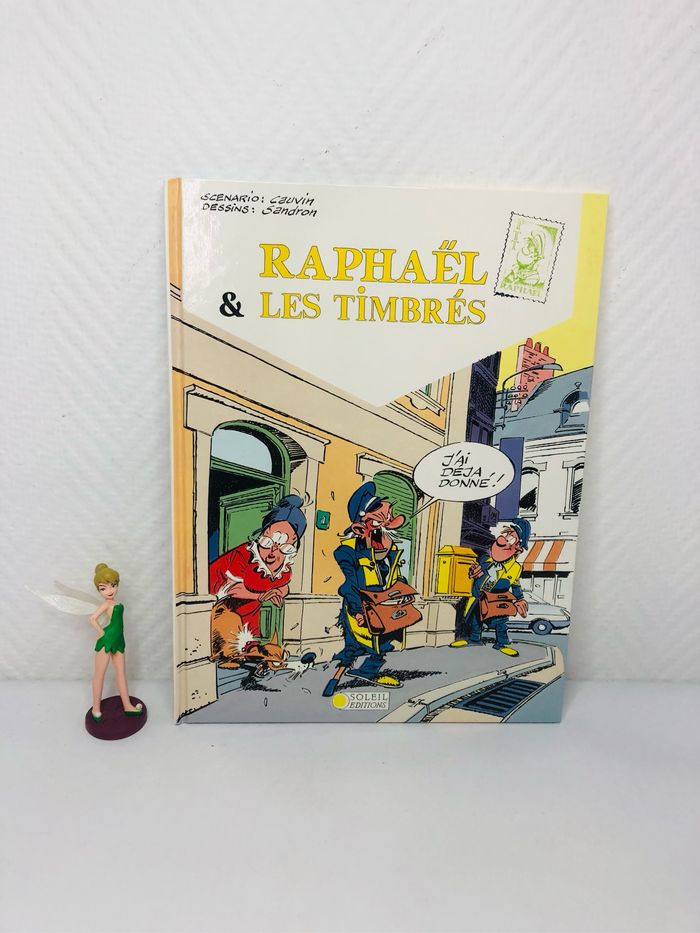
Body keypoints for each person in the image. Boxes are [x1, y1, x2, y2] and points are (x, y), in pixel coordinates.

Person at [322, 481, 408, 697]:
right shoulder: (347, 551)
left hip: (385, 605)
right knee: (354, 644)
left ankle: (367, 671)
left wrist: (402, 593)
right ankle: (335, 678)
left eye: (388, 517)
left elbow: (395, 575)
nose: (387, 522)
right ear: (362, 524)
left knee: (384, 641)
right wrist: (358, 611)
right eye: (380, 519)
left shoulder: (390, 548)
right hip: (359, 604)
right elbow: (350, 584)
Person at [208, 494, 306, 668]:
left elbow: (284, 585)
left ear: (293, 544)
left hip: (248, 610)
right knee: (229, 623)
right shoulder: (242, 556)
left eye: (283, 546)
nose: (272, 552)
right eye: (268, 542)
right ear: (262, 534)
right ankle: (227, 656)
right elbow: (232, 590)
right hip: (219, 606)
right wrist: (262, 596)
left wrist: (278, 592)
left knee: (249, 638)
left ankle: (254, 653)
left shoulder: (284, 567)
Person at [450, 518, 531, 657]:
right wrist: (473, 572)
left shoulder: (515, 567)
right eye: (506, 535)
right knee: (475, 619)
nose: (502, 540)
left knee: (500, 622)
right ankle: (474, 639)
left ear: (518, 548)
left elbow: (516, 584)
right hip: (478, 597)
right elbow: (473, 573)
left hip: (497, 600)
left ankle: (502, 643)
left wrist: (520, 599)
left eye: (511, 538)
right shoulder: (484, 560)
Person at [89, 563, 143, 720]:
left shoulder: (115, 603)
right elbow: (92, 618)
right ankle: (96, 709)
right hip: (107, 640)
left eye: (113, 585)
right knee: (99, 674)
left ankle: (127, 706)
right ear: (99, 590)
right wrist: (101, 633)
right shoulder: (106, 604)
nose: (110, 590)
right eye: (103, 588)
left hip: (119, 640)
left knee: (121, 673)